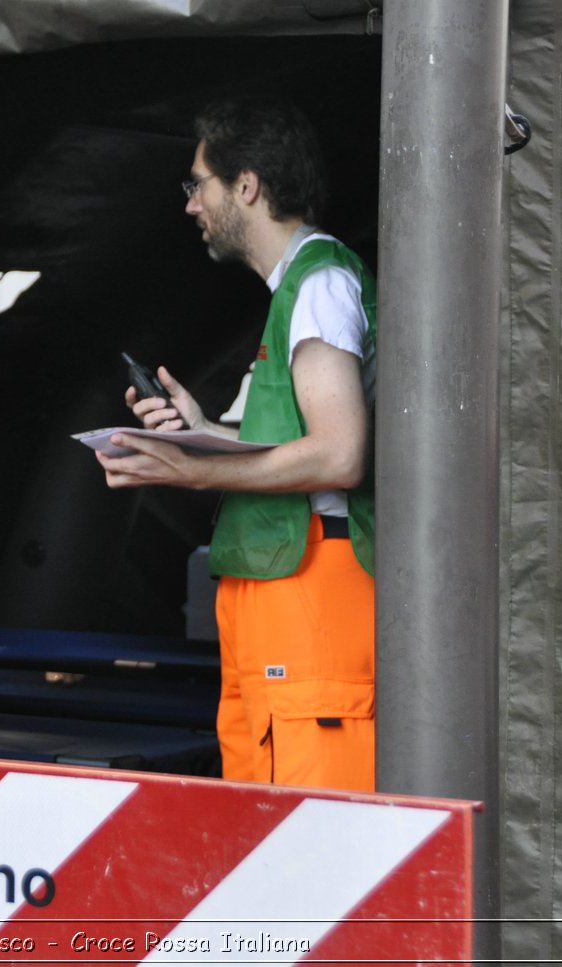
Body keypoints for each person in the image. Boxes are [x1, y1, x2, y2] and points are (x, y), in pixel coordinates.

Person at [98, 100, 376, 792]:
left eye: (198, 184)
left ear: (245, 186)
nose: (190, 204)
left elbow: (339, 455)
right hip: (281, 590)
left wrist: (191, 468)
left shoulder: (320, 286)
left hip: (315, 586)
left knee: (315, 831)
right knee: (259, 811)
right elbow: (296, 442)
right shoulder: (297, 293)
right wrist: (204, 430)